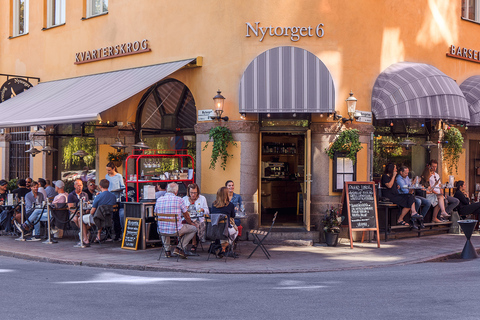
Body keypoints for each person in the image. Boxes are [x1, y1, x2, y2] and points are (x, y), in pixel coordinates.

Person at [155, 182, 197, 259]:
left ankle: (167, 251)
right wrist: (190, 223)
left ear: (167, 190)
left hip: (161, 230)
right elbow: (186, 215)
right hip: (176, 230)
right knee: (193, 229)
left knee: (164, 226)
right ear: (176, 191)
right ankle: (179, 248)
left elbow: (155, 213)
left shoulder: (159, 200)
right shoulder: (179, 200)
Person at [381, 163, 420, 227]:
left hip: (395, 194)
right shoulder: (385, 176)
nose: (396, 170)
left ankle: (413, 212)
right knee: (409, 200)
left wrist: (397, 186)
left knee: (410, 197)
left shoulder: (392, 177)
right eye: (395, 168)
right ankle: (401, 219)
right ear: (391, 169)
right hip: (389, 197)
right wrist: (393, 176)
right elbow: (389, 186)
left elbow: (395, 185)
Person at [80, 179, 117, 246]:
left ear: (100, 186)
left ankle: (85, 239)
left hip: (99, 219)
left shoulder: (98, 197)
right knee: (101, 214)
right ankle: (98, 235)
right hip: (109, 219)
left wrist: (88, 211)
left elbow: (92, 212)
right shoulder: (113, 196)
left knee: (80, 219)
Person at [210, 186, 239, 257]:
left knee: (224, 232)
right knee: (236, 231)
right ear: (226, 195)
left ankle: (221, 249)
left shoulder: (213, 204)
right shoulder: (230, 205)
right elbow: (233, 215)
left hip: (215, 230)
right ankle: (223, 248)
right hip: (225, 231)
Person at [182, 183, 209, 254]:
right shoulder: (184, 199)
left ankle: (193, 243)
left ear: (197, 192)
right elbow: (181, 212)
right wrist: (185, 209)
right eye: (191, 193)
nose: (193, 195)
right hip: (187, 219)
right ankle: (186, 244)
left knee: (193, 223)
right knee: (190, 223)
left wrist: (203, 210)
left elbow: (207, 211)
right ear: (188, 192)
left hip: (198, 219)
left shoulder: (202, 198)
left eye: (195, 193)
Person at [105, 162, 124, 241]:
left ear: (113, 169)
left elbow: (123, 187)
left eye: (109, 170)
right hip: (108, 198)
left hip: (116, 198)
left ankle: (117, 234)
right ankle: (108, 234)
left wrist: (117, 190)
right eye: (107, 170)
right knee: (107, 216)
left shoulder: (118, 176)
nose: (108, 172)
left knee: (116, 217)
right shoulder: (107, 176)